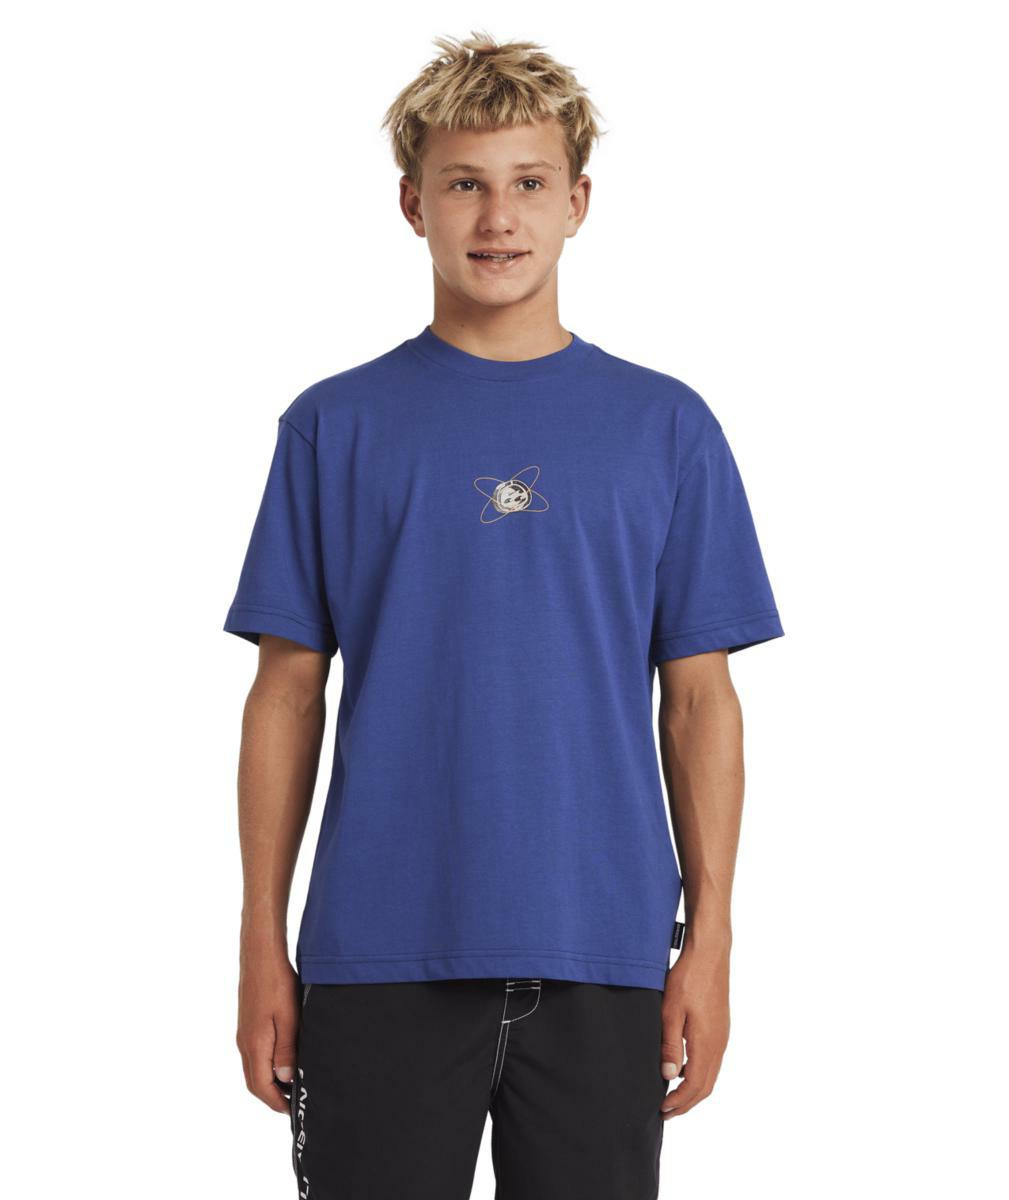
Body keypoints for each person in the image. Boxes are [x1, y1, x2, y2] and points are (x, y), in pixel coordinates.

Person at [225, 30, 784, 1200]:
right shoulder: (333, 427)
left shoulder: (667, 429)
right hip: (378, 951)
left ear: (577, 202)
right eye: (463, 184)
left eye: (528, 182)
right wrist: (260, 942)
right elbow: (285, 692)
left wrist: (712, 941)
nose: (497, 218)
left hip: (603, 952)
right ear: (411, 204)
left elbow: (699, 703)